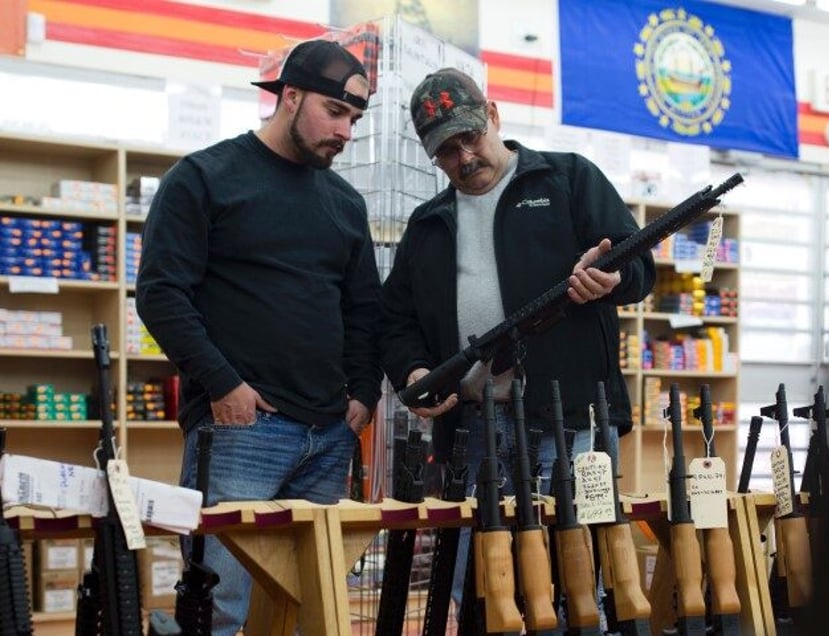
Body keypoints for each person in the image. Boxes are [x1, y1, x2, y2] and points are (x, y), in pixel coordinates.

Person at [378, 68, 656, 632]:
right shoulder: (428, 224)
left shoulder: (568, 179)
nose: (464, 157)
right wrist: (415, 371)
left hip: (572, 422)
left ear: (494, 116)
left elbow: (639, 264)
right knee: (479, 589)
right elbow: (393, 319)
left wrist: (611, 277)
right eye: (446, 151)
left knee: (580, 584)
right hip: (473, 431)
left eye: (470, 138)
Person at [135, 39, 383, 635]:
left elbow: (364, 312)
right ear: (289, 96)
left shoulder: (345, 203)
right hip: (240, 428)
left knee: (308, 612)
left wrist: (362, 397)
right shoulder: (205, 177)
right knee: (221, 608)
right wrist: (224, 385)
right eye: (334, 112)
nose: (345, 132)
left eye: (354, 118)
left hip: (329, 436)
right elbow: (162, 294)